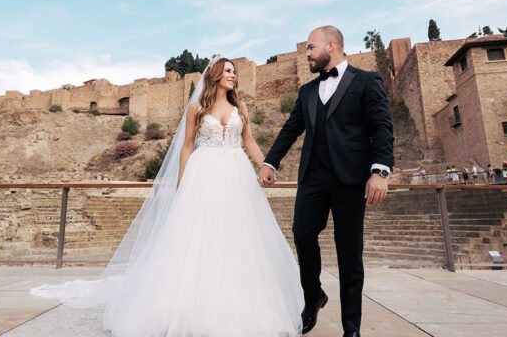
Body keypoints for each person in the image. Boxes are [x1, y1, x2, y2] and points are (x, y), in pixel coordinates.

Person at [32, 56, 304, 336]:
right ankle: (190, 308)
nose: (233, 75)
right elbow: (187, 146)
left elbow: (249, 141)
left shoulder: (240, 107)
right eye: (228, 71)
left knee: (238, 237)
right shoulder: (197, 108)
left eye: (234, 71)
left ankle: (240, 306)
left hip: (236, 175)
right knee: (199, 238)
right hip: (204, 175)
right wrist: (181, 183)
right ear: (214, 76)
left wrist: (266, 166)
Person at [259, 25, 394, 337]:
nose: (307, 54)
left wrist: (380, 171)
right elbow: (291, 130)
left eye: (310, 48)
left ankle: (351, 328)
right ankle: (313, 297)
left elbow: (382, 127)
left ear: (331, 46)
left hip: (352, 180)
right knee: (302, 235)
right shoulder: (307, 92)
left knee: (349, 252)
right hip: (313, 178)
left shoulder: (366, 81)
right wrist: (270, 162)